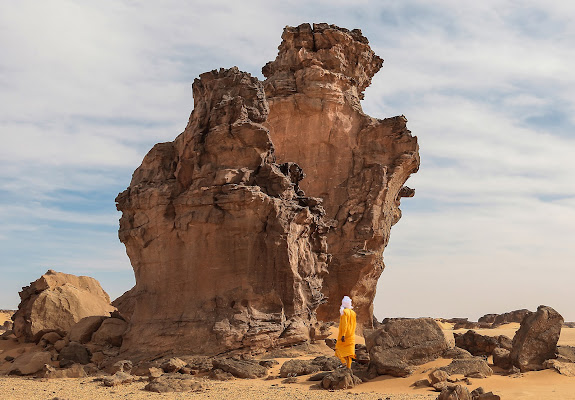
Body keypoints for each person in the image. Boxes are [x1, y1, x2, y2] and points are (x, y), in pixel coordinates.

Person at [334, 295, 356, 369]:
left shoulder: (344, 312)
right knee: (349, 353)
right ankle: (348, 368)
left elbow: (344, 324)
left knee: (338, 348)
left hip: (345, 334)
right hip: (352, 335)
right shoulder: (353, 313)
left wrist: (343, 335)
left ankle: (343, 363)